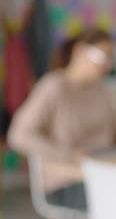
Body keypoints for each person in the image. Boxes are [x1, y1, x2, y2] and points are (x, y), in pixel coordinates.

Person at [8, 28, 116, 212]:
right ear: (79, 51)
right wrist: (71, 154)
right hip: (67, 182)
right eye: (103, 57)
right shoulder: (54, 86)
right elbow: (18, 135)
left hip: (104, 174)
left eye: (110, 59)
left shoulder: (105, 91)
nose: (107, 66)